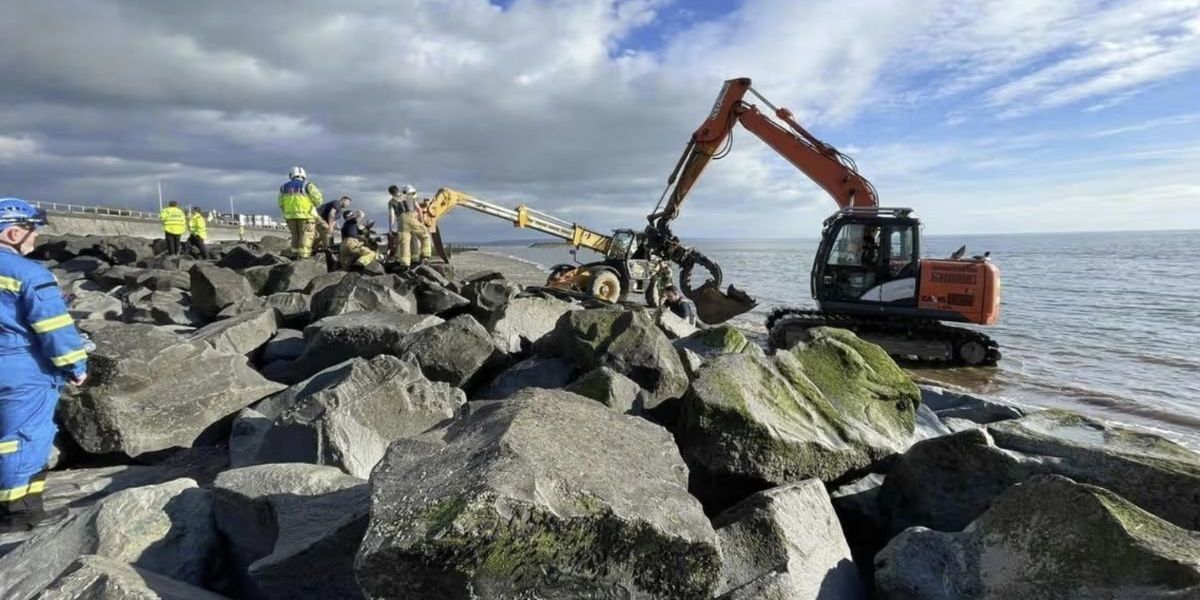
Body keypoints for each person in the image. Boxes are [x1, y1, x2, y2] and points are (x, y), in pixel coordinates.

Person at [0, 198, 88, 533]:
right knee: (23, 438)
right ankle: (18, 514)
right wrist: (75, 365)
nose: (36, 237)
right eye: (32, 230)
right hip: (21, 369)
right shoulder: (29, 273)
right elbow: (54, 329)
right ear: (12, 233)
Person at [277, 166, 323, 258]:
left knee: (295, 236)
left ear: (291, 175)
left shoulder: (283, 187)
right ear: (304, 175)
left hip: (290, 217)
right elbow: (318, 200)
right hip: (306, 216)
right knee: (305, 236)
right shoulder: (307, 185)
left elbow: (280, 203)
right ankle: (303, 257)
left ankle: (294, 254)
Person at [387, 184, 431, 267]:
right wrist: (421, 222)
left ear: (391, 193)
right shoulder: (409, 197)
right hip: (412, 218)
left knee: (404, 243)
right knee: (425, 235)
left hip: (401, 222)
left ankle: (405, 264)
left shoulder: (391, 202)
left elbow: (392, 216)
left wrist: (390, 228)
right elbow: (419, 209)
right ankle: (425, 255)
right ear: (398, 190)